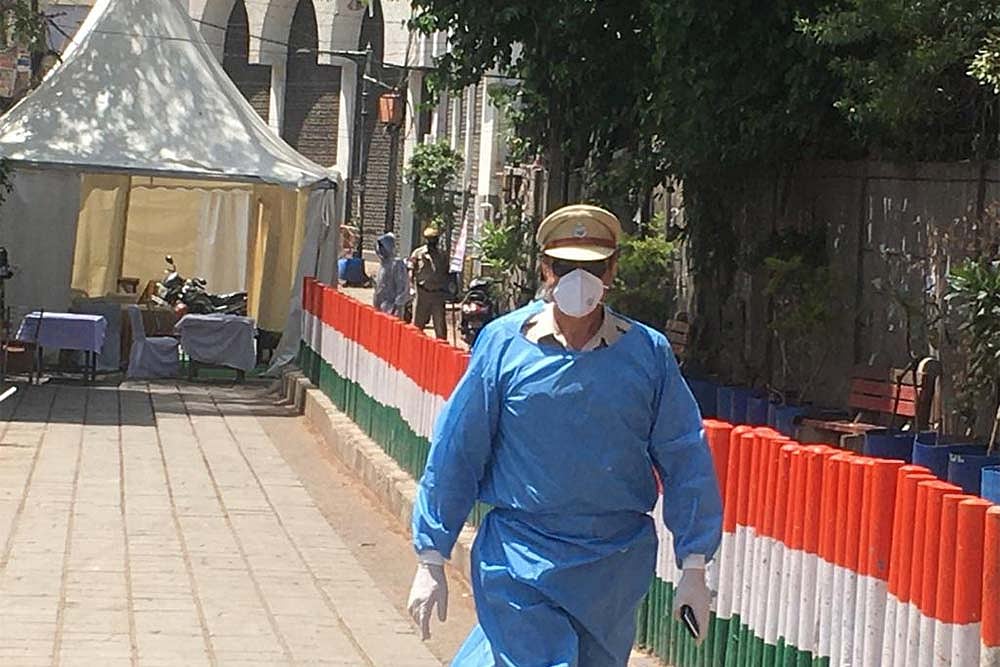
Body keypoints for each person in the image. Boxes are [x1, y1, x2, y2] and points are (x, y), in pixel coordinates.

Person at [406, 204, 723, 666]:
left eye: (592, 268)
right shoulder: (503, 345)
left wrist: (694, 564)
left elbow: (684, 455)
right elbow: (458, 448)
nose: (578, 280)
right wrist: (431, 554)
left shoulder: (647, 353)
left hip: (612, 571)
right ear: (545, 269)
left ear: (612, 270)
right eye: (564, 266)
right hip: (519, 559)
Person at [409, 225, 451, 339]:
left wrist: (451, 290)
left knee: (440, 327)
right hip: (422, 294)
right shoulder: (418, 253)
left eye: (434, 240)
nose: (432, 242)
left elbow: (446, 273)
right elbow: (411, 270)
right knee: (417, 326)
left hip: (438, 294)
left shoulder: (442, 255)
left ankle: (441, 348)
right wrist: (411, 287)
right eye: (430, 240)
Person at [373, 232, 410, 318]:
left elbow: (402, 288)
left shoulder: (397, 264)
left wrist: (396, 307)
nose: (380, 249)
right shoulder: (383, 264)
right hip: (380, 306)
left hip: (392, 309)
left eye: (382, 247)